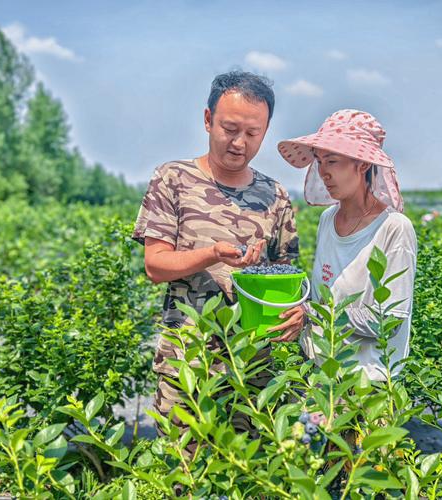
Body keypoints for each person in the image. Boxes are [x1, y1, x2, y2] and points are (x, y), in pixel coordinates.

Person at [131, 71, 299, 433]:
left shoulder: (276, 195)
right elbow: (155, 265)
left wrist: (296, 311)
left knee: (251, 475)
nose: (239, 142)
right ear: (207, 120)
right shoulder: (173, 179)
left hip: (254, 369)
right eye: (230, 128)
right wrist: (213, 254)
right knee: (185, 476)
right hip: (188, 365)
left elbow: (288, 276)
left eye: (253, 133)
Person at [273, 109, 417, 381]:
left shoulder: (393, 228)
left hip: (367, 387)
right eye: (319, 161)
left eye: (332, 160)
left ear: (362, 164)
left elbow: (388, 321)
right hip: (321, 375)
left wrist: (312, 313)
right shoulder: (328, 220)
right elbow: (324, 293)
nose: (323, 172)